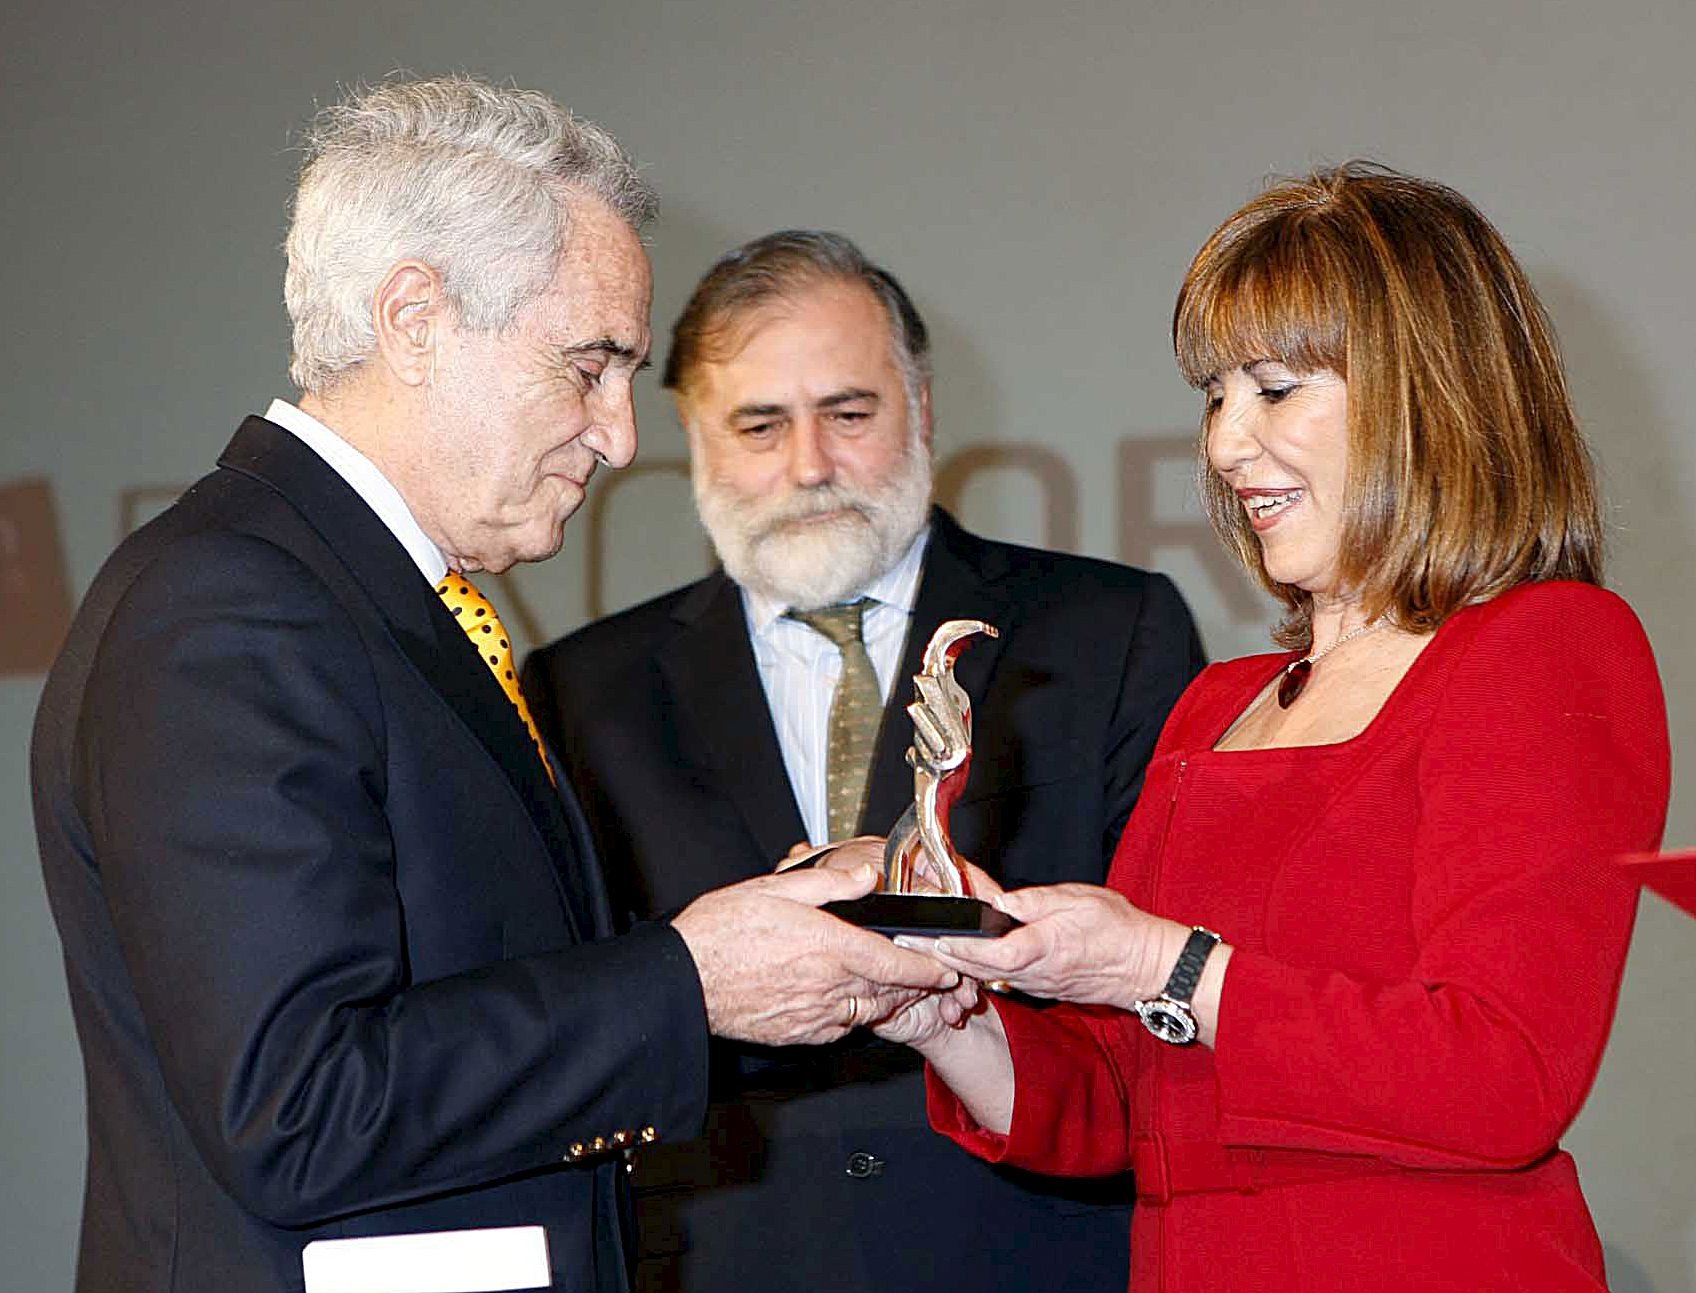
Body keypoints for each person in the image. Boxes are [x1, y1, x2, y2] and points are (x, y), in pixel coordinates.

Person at [29, 76, 957, 1293]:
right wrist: (684, 979)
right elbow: (297, 1107)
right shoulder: (232, 608)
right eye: (588, 366)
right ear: (414, 318)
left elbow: (473, 991)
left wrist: (764, 945)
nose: (621, 437)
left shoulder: (358, 595)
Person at [889, 163, 1672, 1292]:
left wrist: (1164, 963)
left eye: (1273, 388)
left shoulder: (1547, 645)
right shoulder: (1221, 702)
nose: (1221, 446)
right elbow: (1122, 1108)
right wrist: (944, 1008)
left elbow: (1504, 1077)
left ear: (1426, 391)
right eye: (1214, 396)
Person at [520, 230, 1204, 1292]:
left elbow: (1157, 992)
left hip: (1042, 1243)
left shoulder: (1108, 632)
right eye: (759, 424)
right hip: (725, 1257)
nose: (808, 466)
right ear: (689, 435)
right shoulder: (579, 694)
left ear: (921, 408)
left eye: (848, 413)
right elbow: (586, 1013)